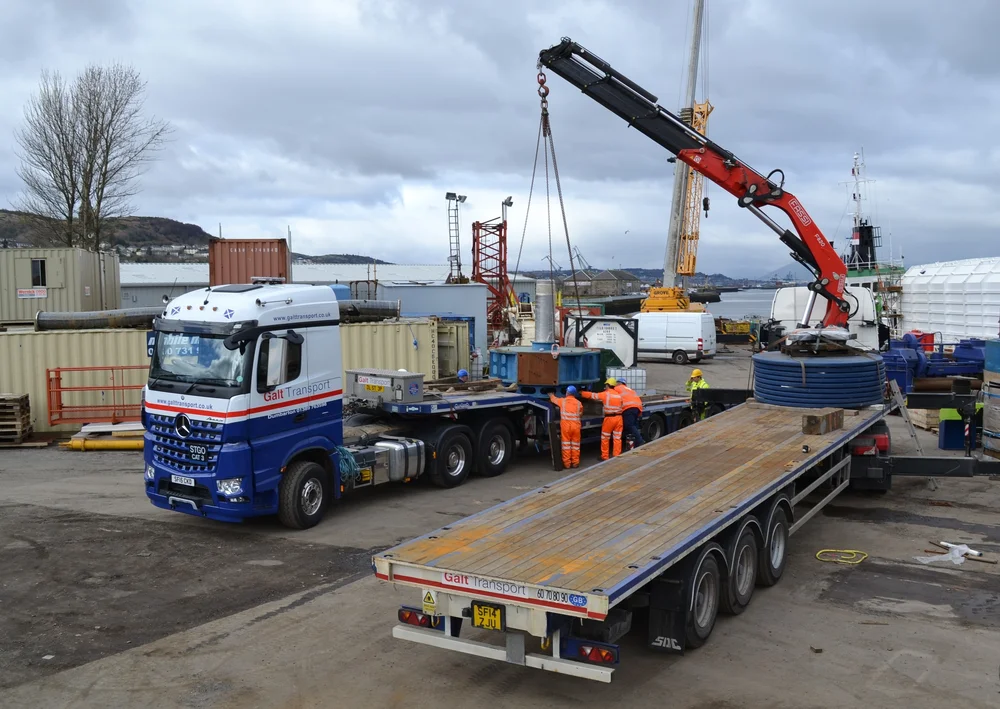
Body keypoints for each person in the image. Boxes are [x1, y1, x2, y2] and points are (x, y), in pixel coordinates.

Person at [581, 378, 624, 460]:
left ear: (608, 385)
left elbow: (592, 395)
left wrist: (581, 393)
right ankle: (617, 455)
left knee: (605, 438)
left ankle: (605, 456)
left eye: (605, 385)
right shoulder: (619, 396)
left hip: (609, 419)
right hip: (619, 418)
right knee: (617, 438)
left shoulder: (605, 394)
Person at [548, 386, 582, 469]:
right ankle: (575, 463)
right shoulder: (578, 403)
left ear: (567, 393)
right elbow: (580, 414)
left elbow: (554, 400)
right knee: (575, 445)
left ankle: (567, 464)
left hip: (566, 426)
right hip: (576, 426)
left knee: (566, 445)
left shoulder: (562, 401)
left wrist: (551, 395)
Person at [615, 380, 644, 448]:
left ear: (619, 383)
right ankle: (635, 444)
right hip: (637, 407)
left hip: (628, 408)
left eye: (616, 383)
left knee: (629, 425)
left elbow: (610, 395)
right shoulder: (630, 389)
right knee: (634, 426)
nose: (615, 384)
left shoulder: (617, 388)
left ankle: (640, 441)